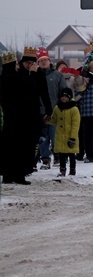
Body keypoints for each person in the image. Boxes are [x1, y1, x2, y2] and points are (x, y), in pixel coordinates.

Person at [1, 50, 50, 185]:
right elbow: (27, 90)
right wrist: (32, 75)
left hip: (22, 118)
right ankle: (16, 174)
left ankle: (12, 174)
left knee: (19, 146)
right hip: (18, 118)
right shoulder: (14, 77)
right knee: (18, 147)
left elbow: (42, 91)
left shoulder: (13, 76)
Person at [36, 47, 67, 169]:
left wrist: (62, 106)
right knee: (43, 138)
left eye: (45, 60)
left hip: (55, 112)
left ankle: (57, 156)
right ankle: (45, 159)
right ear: (38, 63)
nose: (43, 62)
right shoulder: (35, 76)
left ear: (50, 61)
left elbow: (64, 92)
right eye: (41, 60)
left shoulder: (58, 75)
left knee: (55, 136)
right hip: (40, 112)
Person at [48, 88, 80, 177]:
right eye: (62, 97)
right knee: (62, 154)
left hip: (70, 136)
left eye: (66, 97)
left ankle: (72, 170)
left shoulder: (74, 109)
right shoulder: (57, 108)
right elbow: (54, 119)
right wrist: (47, 120)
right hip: (60, 136)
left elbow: (75, 125)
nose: (64, 99)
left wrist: (73, 137)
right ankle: (62, 170)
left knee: (71, 154)